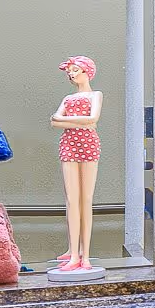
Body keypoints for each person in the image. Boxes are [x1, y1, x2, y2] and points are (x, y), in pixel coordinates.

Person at [49, 56, 102, 272]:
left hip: (88, 145)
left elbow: (93, 118)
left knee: (86, 199)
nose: (72, 74)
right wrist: (81, 122)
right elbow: (53, 120)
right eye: (70, 71)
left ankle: (85, 254)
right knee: (72, 199)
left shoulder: (95, 95)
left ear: (87, 71)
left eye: (75, 70)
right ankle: (73, 253)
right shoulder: (67, 97)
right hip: (69, 145)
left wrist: (66, 122)